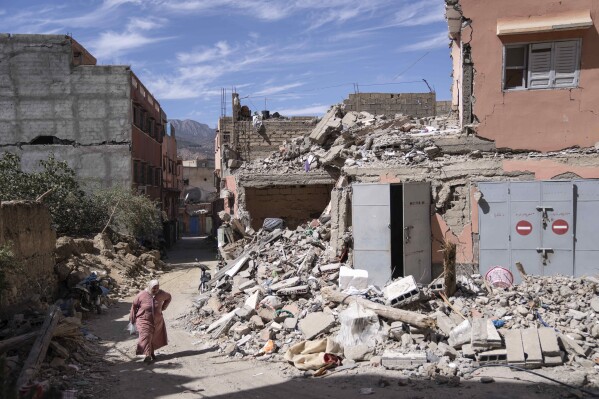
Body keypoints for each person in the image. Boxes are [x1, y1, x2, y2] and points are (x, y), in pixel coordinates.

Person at [129, 280, 172, 363]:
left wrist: (163, 307)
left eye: (157, 288)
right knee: (146, 335)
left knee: (154, 337)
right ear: (149, 286)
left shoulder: (161, 294)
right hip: (143, 319)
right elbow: (134, 306)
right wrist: (132, 318)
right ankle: (147, 355)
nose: (155, 290)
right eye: (154, 288)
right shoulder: (142, 295)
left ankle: (151, 352)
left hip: (157, 320)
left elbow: (169, 297)